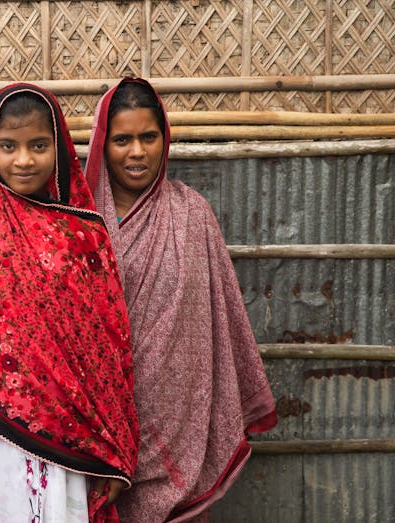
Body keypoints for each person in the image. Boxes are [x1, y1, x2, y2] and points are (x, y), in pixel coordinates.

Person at [0, 83, 139, 522]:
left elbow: (109, 353)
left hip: (71, 441)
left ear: (58, 148)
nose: (23, 160)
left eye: (38, 145)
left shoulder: (84, 236)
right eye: (9, 146)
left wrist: (115, 447)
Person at [84, 77, 278, 522]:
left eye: (148, 137)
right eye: (122, 140)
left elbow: (220, 317)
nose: (137, 152)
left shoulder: (193, 214)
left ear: (164, 139)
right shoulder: (80, 221)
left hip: (177, 429)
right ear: (102, 143)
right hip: (100, 431)